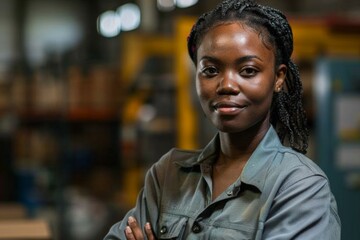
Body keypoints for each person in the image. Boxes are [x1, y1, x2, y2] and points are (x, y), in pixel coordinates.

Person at [104, 0, 341, 239]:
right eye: (210, 70)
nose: (226, 85)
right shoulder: (168, 174)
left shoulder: (299, 187)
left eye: (248, 70)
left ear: (278, 78)